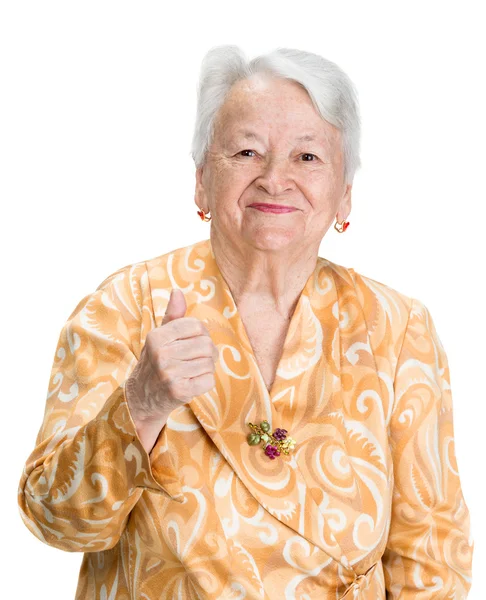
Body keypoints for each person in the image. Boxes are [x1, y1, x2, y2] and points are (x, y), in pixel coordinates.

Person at [18, 45, 474, 599]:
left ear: (345, 194)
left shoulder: (398, 329)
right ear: (203, 179)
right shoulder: (124, 306)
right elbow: (56, 522)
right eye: (248, 152)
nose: (275, 179)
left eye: (308, 157)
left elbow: (432, 559)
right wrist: (139, 405)